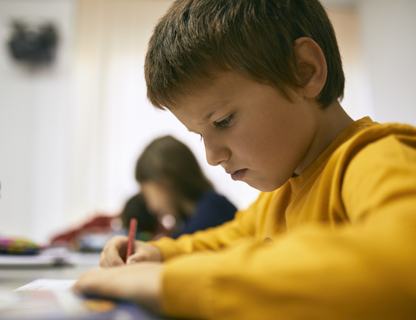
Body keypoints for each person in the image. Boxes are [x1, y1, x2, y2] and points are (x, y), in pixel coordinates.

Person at [73, 0, 416, 319]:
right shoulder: (277, 197)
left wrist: (167, 282)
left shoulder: (376, 158)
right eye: (200, 134)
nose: (211, 156)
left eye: (223, 121)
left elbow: (404, 261)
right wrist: (160, 255)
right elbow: (226, 240)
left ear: (304, 71)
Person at [134, 135, 237, 239]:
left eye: (146, 194)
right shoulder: (190, 218)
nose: (151, 207)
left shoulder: (214, 208)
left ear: (164, 179)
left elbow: (182, 243)